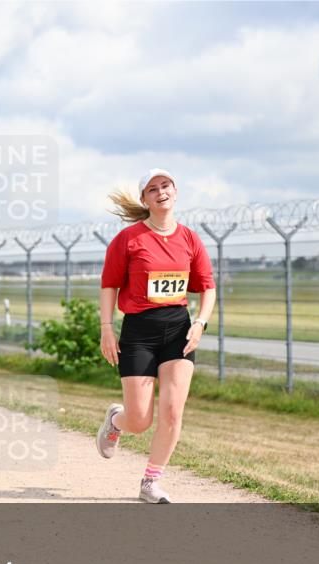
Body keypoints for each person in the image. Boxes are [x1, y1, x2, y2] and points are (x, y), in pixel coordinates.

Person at [96, 169, 216, 504]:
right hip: (139, 331)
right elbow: (109, 286)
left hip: (179, 328)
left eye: (165, 186)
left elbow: (208, 288)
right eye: (153, 189)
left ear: (175, 192)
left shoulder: (190, 239)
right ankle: (116, 421)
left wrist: (201, 323)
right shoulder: (129, 239)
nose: (161, 192)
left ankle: (150, 481)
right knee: (139, 420)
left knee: (173, 412)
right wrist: (107, 328)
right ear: (145, 199)